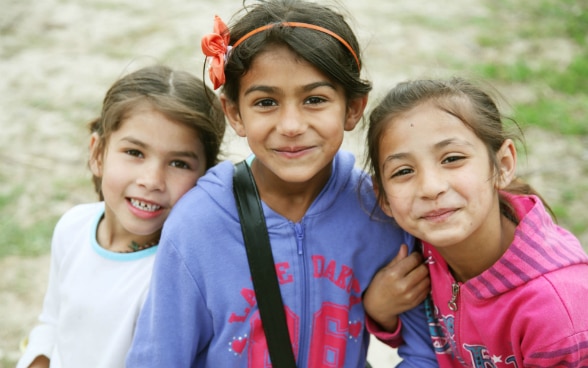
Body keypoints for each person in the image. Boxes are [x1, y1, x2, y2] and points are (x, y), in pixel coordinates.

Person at [126, 1, 437, 367]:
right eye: (266, 102)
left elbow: (428, 354)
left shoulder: (381, 212)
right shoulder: (198, 224)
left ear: (353, 108)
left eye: (315, 100)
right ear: (234, 114)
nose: (291, 125)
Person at [363, 76, 588, 367]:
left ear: (503, 165)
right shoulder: (420, 252)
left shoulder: (557, 312)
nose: (430, 187)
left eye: (452, 158)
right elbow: (425, 348)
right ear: (384, 198)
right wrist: (379, 308)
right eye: (403, 171)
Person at [16, 64, 226, 368]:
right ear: (98, 154)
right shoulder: (73, 227)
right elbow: (53, 321)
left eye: (179, 163)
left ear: (205, 177)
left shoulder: (178, 273)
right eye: (135, 153)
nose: (152, 179)